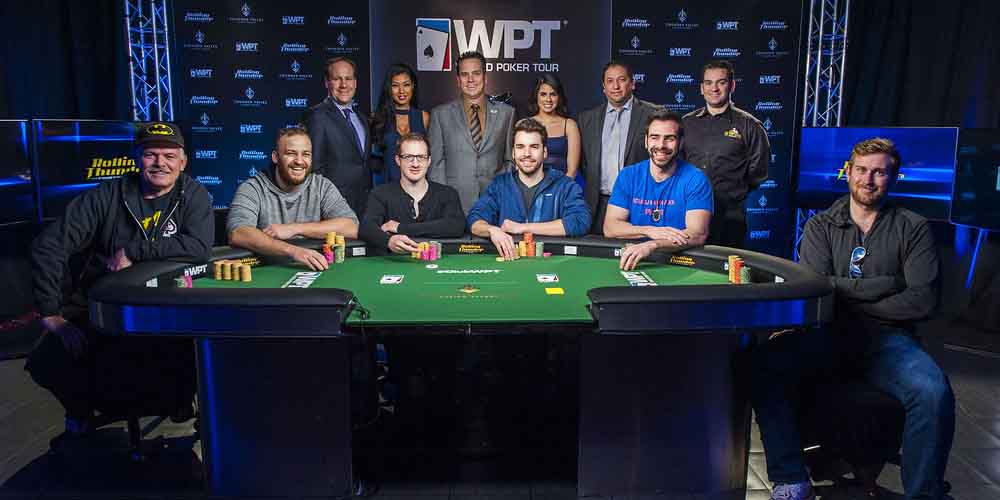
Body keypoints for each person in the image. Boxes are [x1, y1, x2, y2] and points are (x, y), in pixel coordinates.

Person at [752, 138, 954, 500]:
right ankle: (791, 478)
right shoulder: (820, 226)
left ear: (894, 176)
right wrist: (887, 284)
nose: (868, 179)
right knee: (763, 365)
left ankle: (924, 494)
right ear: (848, 172)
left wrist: (847, 298)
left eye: (879, 172)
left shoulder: (913, 227)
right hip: (827, 336)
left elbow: (922, 300)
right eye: (861, 170)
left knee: (933, 392)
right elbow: (818, 289)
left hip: (888, 340)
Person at [26, 121, 214, 451]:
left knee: (192, 352)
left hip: (167, 303)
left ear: (183, 162)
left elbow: (199, 246)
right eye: (151, 154)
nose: (160, 163)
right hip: (104, 304)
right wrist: (51, 313)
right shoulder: (106, 196)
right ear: (136, 158)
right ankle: (82, 409)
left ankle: (177, 402)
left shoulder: (193, 193)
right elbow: (48, 246)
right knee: (47, 360)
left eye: (169, 156)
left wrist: (133, 251)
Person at [227, 127, 359, 270]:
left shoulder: (321, 186)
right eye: (291, 153)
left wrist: (294, 228)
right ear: (275, 157)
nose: (299, 161)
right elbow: (238, 233)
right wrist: (293, 251)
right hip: (268, 272)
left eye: (306, 154)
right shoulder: (253, 188)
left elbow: (351, 227)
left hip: (312, 272)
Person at [602, 111, 713, 271]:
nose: (661, 145)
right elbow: (610, 227)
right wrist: (650, 231)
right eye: (655, 137)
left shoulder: (696, 179)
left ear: (681, 143)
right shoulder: (628, 175)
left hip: (680, 264)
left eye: (669, 138)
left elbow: (697, 234)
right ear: (646, 141)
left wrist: (652, 245)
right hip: (634, 262)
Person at [468, 118, 590, 259]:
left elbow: (580, 221)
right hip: (510, 264)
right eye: (520, 147)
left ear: (545, 152)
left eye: (534, 147)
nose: (527, 153)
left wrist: (522, 228)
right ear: (513, 153)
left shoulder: (564, 185)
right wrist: (492, 230)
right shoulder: (499, 185)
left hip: (551, 264)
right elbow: (475, 219)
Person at [682, 60, 770, 248]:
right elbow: (677, 166)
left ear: (732, 86)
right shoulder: (686, 123)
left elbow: (758, 172)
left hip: (730, 218)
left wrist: (732, 191)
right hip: (688, 215)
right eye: (708, 83)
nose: (714, 88)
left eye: (721, 82)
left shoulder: (750, 125)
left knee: (726, 265)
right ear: (701, 88)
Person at [578, 60, 662, 234]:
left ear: (632, 83)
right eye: (610, 81)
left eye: (621, 80)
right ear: (603, 87)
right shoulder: (586, 119)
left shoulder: (653, 114)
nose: (615, 86)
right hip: (598, 204)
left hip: (640, 202)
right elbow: (584, 163)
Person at [427, 50, 515, 212]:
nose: (470, 80)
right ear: (458, 80)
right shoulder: (440, 115)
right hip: (454, 206)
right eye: (464, 74)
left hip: (495, 204)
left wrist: (503, 193)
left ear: (485, 77)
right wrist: (444, 202)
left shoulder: (507, 113)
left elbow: (510, 160)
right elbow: (436, 166)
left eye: (476, 73)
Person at [359, 132, 466, 254]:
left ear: (429, 161)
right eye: (408, 157)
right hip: (394, 262)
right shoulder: (380, 194)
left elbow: (456, 225)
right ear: (398, 160)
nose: (415, 164)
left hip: (437, 262)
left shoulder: (447, 194)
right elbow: (366, 228)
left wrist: (400, 228)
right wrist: (388, 241)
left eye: (421, 157)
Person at [302, 56, 371, 215]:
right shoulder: (317, 116)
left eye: (348, 78)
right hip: (332, 208)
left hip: (363, 206)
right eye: (337, 79)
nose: (343, 85)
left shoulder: (362, 118)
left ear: (355, 82)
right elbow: (313, 168)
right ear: (327, 82)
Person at [370, 63, 430, 185]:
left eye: (406, 85)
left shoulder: (424, 117)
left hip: (417, 186)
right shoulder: (377, 117)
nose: (401, 91)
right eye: (395, 86)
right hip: (386, 186)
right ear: (389, 88)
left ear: (413, 86)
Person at [527, 73, 581, 180]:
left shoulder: (569, 125)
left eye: (553, 94)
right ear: (536, 96)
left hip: (563, 186)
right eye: (543, 94)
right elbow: (519, 167)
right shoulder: (525, 124)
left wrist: (558, 189)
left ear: (559, 97)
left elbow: (572, 171)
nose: (548, 99)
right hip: (531, 186)